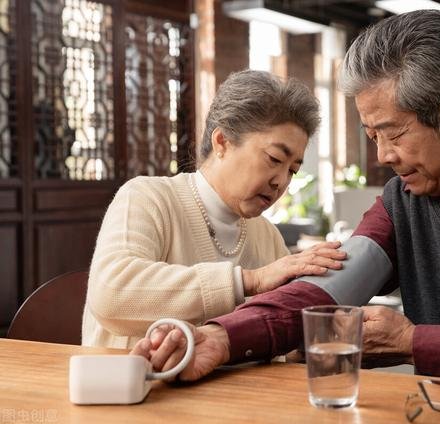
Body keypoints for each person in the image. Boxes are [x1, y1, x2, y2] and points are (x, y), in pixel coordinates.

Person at [131, 11, 440, 395]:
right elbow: (324, 290)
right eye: (370, 135)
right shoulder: (404, 198)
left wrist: (412, 341)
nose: (381, 157)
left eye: (391, 133)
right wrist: (221, 337)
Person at [82, 70, 347, 348]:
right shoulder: (148, 198)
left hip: (238, 392)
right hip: (135, 387)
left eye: (292, 170)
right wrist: (250, 281)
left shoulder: (266, 235)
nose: (281, 181)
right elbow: (111, 294)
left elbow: (282, 334)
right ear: (222, 142)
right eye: (274, 159)